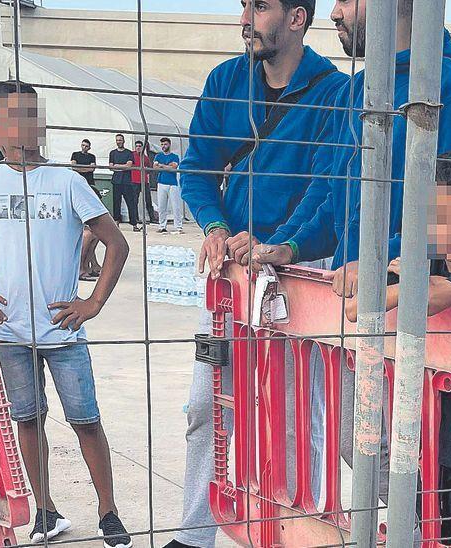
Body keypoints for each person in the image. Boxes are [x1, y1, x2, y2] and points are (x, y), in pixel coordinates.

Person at [169, 1, 347, 547]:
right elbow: (196, 169)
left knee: (299, 413)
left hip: (302, 272)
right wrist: (215, 225)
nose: (246, 18)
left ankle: (299, 532)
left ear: (297, 18)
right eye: (244, 5)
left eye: (260, 6)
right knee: (207, 401)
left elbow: (326, 185)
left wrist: (278, 246)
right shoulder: (225, 80)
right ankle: (197, 532)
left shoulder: (333, 91)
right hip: (229, 277)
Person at [0, 81, 132, 548]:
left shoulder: (67, 181)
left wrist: (93, 303)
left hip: (62, 332)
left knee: (85, 421)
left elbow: (116, 243)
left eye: (34, 115)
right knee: (28, 420)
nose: (29, 125)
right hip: (10, 333)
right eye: (17, 116)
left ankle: (109, 512)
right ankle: (45, 509)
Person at [252, 0, 451, 281]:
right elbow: (333, 202)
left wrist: (375, 262)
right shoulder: (352, 92)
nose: (334, 13)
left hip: (415, 312)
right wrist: (291, 246)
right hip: (349, 301)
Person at [339, 152, 451, 546]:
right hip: (424, 439)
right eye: (436, 217)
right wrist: (377, 275)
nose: (446, 230)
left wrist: (395, 281)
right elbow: (351, 304)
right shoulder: (426, 264)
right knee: (430, 532)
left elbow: (431, 297)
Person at [70, 139, 101, 280]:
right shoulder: (75, 155)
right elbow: (74, 168)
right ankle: (81, 268)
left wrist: (83, 169)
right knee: (88, 235)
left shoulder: (91, 157)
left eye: (87, 146)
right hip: (79, 189)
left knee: (95, 233)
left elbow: (92, 169)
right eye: (83, 145)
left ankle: (91, 265)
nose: (84, 147)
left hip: (89, 186)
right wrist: (85, 168)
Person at [108, 134, 139, 230]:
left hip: (127, 181)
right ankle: (116, 223)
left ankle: (134, 224)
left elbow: (129, 166)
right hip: (116, 181)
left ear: (123, 141)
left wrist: (117, 166)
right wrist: (122, 166)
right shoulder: (112, 153)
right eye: (117, 140)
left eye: (120, 140)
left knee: (131, 203)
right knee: (116, 203)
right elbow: (111, 167)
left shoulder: (129, 153)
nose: (119, 142)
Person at [153, 137, 183, 234]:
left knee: (175, 205)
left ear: (169, 145)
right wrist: (167, 166)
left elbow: (174, 167)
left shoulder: (175, 156)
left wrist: (162, 165)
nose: (163, 146)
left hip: (172, 183)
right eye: (162, 144)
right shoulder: (158, 156)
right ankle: (162, 226)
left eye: (165, 144)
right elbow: (155, 167)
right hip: (161, 182)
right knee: (161, 206)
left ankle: (178, 226)